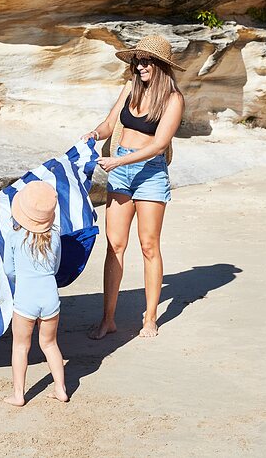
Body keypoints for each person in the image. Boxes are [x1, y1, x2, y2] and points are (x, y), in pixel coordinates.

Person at [81, 35, 185, 339]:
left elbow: (159, 144)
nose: (139, 66)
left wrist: (118, 163)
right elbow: (110, 124)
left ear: (161, 65)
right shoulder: (129, 89)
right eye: (137, 60)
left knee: (149, 245)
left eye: (145, 61)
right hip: (122, 169)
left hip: (150, 173)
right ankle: (108, 319)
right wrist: (93, 135)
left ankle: (150, 317)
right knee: (114, 245)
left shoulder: (173, 99)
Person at [2, 181, 69, 406]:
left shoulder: (13, 236)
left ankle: (19, 395)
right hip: (50, 296)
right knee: (50, 344)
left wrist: (18, 280)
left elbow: (9, 270)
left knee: (21, 346)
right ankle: (60, 389)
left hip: (26, 297)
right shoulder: (55, 236)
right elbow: (57, 268)